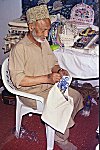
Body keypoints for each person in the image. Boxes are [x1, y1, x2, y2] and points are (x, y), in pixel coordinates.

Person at [9, 5, 84, 150]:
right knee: (63, 104)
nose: (46, 33)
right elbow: (19, 80)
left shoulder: (44, 43)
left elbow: (53, 63)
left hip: (48, 87)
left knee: (76, 96)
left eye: (48, 29)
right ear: (31, 27)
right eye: (43, 29)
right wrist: (47, 78)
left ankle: (58, 127)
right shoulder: (20, 49)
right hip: (30, 92)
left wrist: (59, 70)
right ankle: (60, 139)